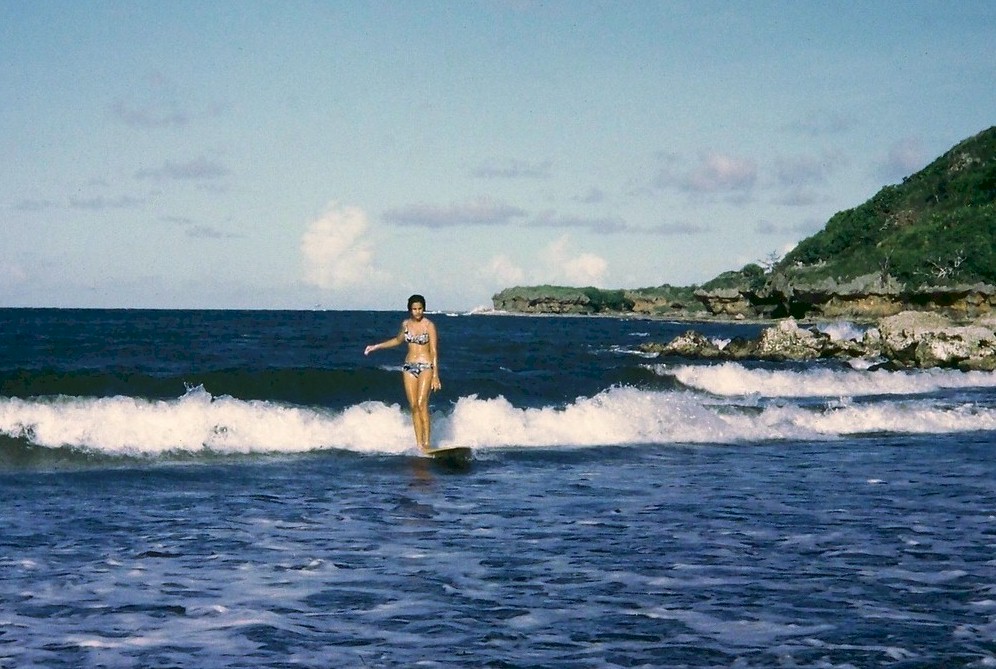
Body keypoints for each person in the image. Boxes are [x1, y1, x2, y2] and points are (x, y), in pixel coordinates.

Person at [364, 294, 441, 453]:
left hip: (426, 366)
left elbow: (433, 351)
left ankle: (427, 443)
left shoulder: (429, 325)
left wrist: (435, 376)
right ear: (409, 310)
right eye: (414, 309)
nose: (417, 312)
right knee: (413, 406)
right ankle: (419, 444)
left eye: (420, 309)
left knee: (422, 404)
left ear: (424, 309)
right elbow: (397, 341)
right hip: (408, 367)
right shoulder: (405, 324)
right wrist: (376, 347)